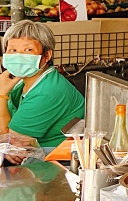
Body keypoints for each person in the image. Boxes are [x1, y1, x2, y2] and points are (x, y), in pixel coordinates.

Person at [0, 21, 85, 150]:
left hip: (51, 160)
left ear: (46, 55)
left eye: (28, 50)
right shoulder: (20, 81)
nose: (19, 56)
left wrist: (1, 94)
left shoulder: (48, 91)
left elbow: (12, 142)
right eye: (13, 50)